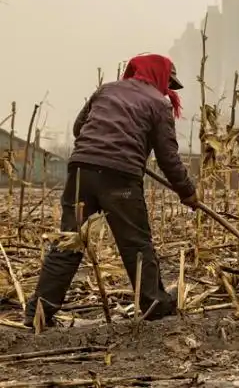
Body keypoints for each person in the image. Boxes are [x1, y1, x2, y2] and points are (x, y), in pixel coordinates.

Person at [24, 53, 200, 328]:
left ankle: (39, 312)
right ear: (158, 75)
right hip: (120, 178)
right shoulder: (158, 104)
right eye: (168, 82)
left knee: (69, 241)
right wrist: (187, 191)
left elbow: (79, 128)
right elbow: (168, 157)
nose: (168, 88)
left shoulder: (106, 90)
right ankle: (154, 304)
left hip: (80, 172)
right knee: (136, 243)